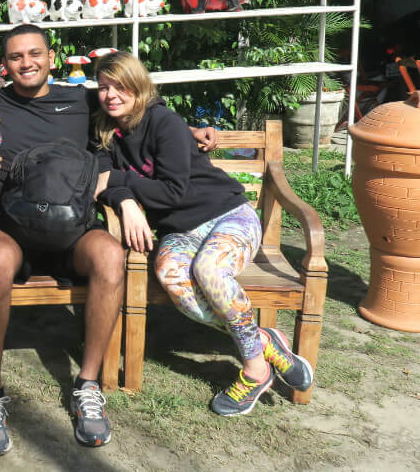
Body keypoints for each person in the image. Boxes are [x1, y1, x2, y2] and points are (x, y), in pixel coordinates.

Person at [0, 25, 218, 455]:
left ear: (50, 57)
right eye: (15, 57)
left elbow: (136, 108)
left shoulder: (83, 99)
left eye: (34, 54)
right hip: (11, 223)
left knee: (108, 255)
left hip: (74, 225)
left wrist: (188, 129)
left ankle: (87, 384)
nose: (26, 63)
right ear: (3, 66)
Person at [92, 51, 313, 417]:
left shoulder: (164, 122)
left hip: (227, 215)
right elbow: (101, 176)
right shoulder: (104, 128)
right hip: (180, 230)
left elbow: (171, 191)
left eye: (120, 86)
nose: (111, 95)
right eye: (103, 87)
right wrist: (125, 199)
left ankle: (255, 370)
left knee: (209, 271)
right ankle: (262, 342)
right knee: (172, 278)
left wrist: (120, 180)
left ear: (138, 85)